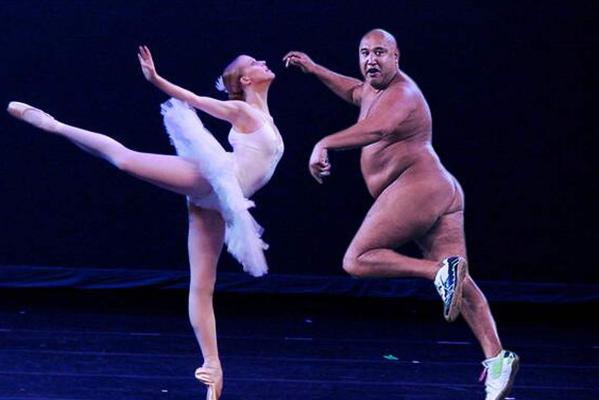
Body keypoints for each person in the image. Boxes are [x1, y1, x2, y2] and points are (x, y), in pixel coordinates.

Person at [7, 46, 284, 400]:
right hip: (216, 178)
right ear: (245, 79)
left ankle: (212, 366)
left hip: (221, 201)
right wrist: (156, 79)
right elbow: (195, 100)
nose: (263, 62)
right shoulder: (242, 110)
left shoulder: (264, 114)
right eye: (254, 63)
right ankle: (54, 124)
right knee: (125, 159)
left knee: (203, 285)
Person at [284, 29, 518, 400]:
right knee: (460, 284)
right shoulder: (372, 88)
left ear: (396, 57)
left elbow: (377, 128)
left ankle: (436, 271)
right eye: (364, 53)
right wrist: (315, 69)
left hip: (418, 184)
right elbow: (354, 91)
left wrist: (323, 143)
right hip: (439, 190)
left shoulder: (402, 93)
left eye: (379, 52)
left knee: (357, 259)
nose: (370, 60)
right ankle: (498, 358)